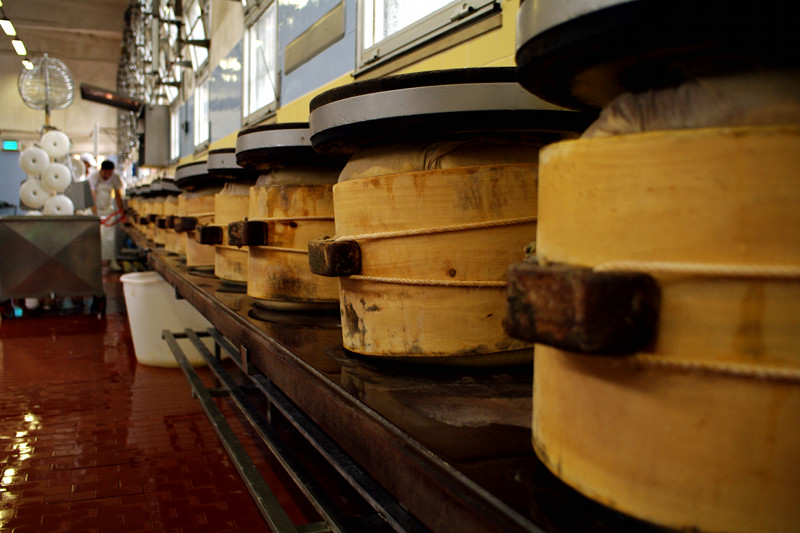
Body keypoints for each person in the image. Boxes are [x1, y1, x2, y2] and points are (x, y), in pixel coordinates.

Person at [88, 160, 125, 272]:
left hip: (109, 211)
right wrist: (96, 214)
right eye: (105, 173)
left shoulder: (115, 178)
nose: (107, 176)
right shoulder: (93, 177)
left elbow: (118, 195)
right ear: (101, 170)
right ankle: (95, 263)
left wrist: (121, 212)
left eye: (109, 174)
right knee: (95, 237)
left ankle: (111, 262)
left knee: (109, 238)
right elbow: (92, 196)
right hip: (96, 210)